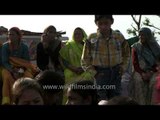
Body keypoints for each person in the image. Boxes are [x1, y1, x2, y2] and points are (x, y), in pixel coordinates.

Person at [81, 15, 130, 101]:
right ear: (96, 23)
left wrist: (123, 67)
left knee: (115, 98)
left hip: (116, 72)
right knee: (101, 99)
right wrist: (94, 73)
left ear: (112, 22)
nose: (103, 26)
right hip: (100, 73)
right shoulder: (91, 38)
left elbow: (127, 54)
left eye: (106, 23)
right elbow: (85, 59)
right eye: (100, 23)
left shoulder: (119, 37)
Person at [1, 27, 39, 105]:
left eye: (12, 34)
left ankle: (27, 98)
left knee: (28, 77)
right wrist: (13, 70)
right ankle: (7, 100)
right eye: (9, 34)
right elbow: (4, 62)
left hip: (22, 68)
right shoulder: (5, 47)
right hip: (8, 68)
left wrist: (21, 70)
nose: (10, 36)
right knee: (7, 77)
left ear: (18, 36)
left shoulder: (24, 47)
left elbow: (26, 62)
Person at [129, 27, 160, 105]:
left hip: (154, 71)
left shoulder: (156, 48)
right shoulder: (136, 47)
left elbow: (158, 63)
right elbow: (135, 63)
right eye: (139, 35)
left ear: (148, 36)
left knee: (154, 81)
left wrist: (151, 72)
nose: (140, 37)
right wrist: (142, 73)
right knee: (138, 81)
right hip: (139, 71)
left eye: (143, 35)